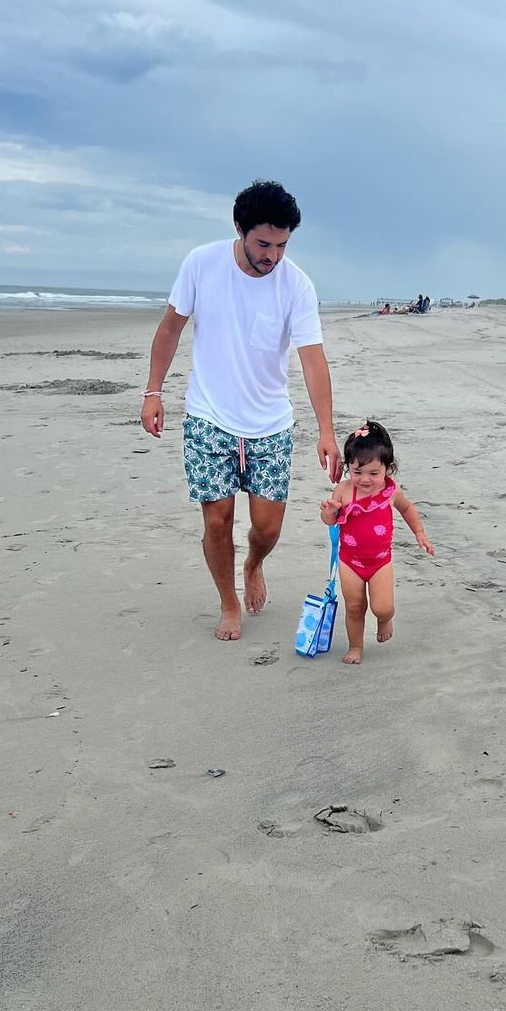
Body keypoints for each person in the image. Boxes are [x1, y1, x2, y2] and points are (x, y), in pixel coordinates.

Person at [141, 179, 341, 642]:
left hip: (270, 422)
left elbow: (313, 358)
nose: (273, 255)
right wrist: (153, 391)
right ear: (239, 229)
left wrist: (325, 430)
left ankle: (253, 564)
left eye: (282, 245)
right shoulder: (201, 264)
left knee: (267, 528)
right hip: (209, 415)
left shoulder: (296, 285)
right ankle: (228, 600)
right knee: (217, 520)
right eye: (263, 243)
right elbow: (170, 329)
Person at [319, 420, 434, 664]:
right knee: (354, 606)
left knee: (382, 607)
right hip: (350, 560)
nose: (365, 479)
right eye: (357, 472)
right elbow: (330, 522)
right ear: (348, 467)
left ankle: (384, 620)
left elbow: (407, 508)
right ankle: (355, 647)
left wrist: (420, 532)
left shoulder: (391, 492)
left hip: (380, 561)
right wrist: (329, 511)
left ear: (388, 468)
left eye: (374, 473)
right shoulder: (343, 490)